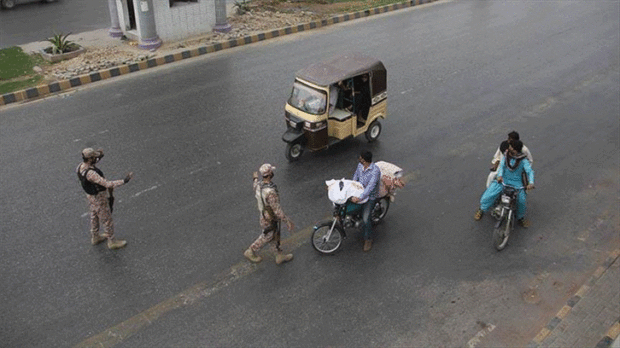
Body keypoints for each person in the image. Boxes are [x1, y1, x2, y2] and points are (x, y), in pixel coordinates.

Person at [76, 148, 133, 249]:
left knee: (94, 216)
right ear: (90, 159)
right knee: (107, 220)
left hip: (90, 197)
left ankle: (95, 236)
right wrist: (124, 181)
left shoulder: (80, 167)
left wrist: (100, 155)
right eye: (94, 157)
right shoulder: (91, 174)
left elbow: (93, 161)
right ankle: (112, 241)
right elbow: (107, 184)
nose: (96, 159)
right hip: (99, 198)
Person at [475, 140, 535, 227]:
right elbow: (502, 166)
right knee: (488, 196)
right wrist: (499, 176)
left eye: (511, 147)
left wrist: (531, 183)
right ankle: (481, 210)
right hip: (503, 181)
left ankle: (520, 218)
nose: (509, 148)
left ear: (516, 150)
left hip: (517, 185)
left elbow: (530, 172)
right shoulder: (506, 156)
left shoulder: (523, 160)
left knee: (521, 201)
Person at [244, 164, 295, 264]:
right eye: (271, 171)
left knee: (273, 236)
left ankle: (279, 256)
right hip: (270, 218)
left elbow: (255, 185)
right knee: (267, 236)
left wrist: (255, 178)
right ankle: (251, 251)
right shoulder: (270, 192)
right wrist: (287, 221)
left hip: (263, 216)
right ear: (270, 174)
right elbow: (277, 211)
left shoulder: (259, 185)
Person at [350, 150, 382, 252]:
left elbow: (370, 188)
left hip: (370, 197)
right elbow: (356, 175)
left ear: (365, 160)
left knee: (365, 219)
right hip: (359, 191)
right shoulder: (360, 166)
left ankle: (368, 239)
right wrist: (352, 185)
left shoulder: (375, 171)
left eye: (361, 158)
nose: (359, 160)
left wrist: (360, 197)